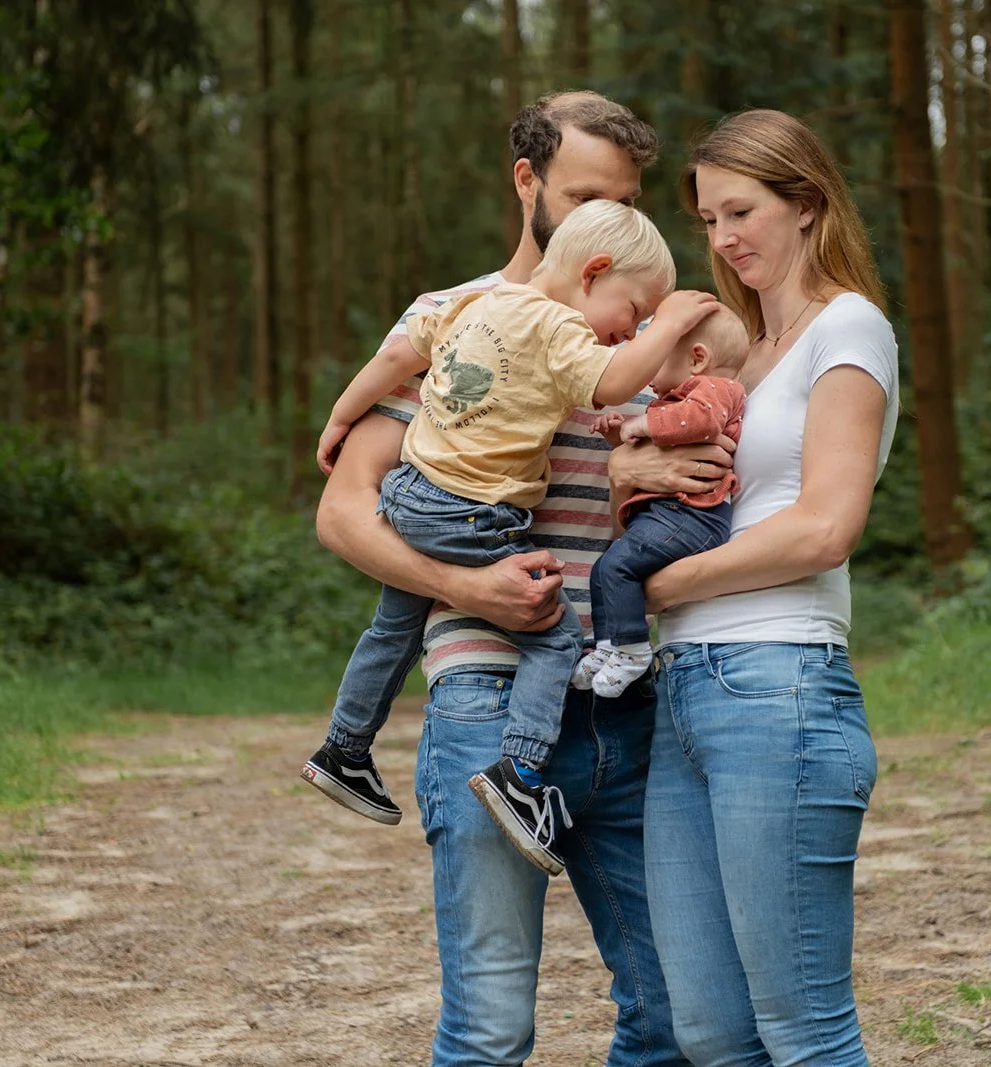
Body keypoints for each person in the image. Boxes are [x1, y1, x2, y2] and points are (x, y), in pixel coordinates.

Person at [314, 91, 720, 1067]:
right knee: (491, 1029)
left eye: (624, 199)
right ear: (527, 182)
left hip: (626, 706)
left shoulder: (629, 330)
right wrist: (466, 588)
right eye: (585, 193)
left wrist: (654, 470)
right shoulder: (453, 317)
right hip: (486, 699)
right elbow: (344, 511)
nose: (605, 217)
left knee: (672, 1014)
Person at [302, 199, 718, 876]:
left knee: (395, 621)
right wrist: (669, 322)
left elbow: (393, 358)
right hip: (474, 514)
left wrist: (339, 418)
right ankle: (519, 773)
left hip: (410, 495)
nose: (629, 330)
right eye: (631, 309)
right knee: (555, 638)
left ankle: (345, 747)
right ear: (595, 272)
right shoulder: (560, 331)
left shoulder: (474, 304)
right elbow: (615, 382)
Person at [637, 109, 900, 1066]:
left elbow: (827, 525)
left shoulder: (851, 328)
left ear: (808, 203)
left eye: (740, 211)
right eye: (707, 220)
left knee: (804, 1029)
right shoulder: (742, 352)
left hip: (780, 685)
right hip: (681, 691)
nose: (722, 238)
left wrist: (666, 584)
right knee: (710, 1030)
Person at [576, 308, 750, 697]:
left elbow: (699, 423)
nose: (646, 376)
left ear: (697, 359)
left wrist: (643, 425)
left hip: (695, 516)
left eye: (655, 362)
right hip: (672, 513)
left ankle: (634, 650)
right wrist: (621, 436)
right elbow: (655, 454)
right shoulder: (680, 402)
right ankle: (609, 646)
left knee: (619, 565)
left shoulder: (716, 390)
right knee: (605, 566)